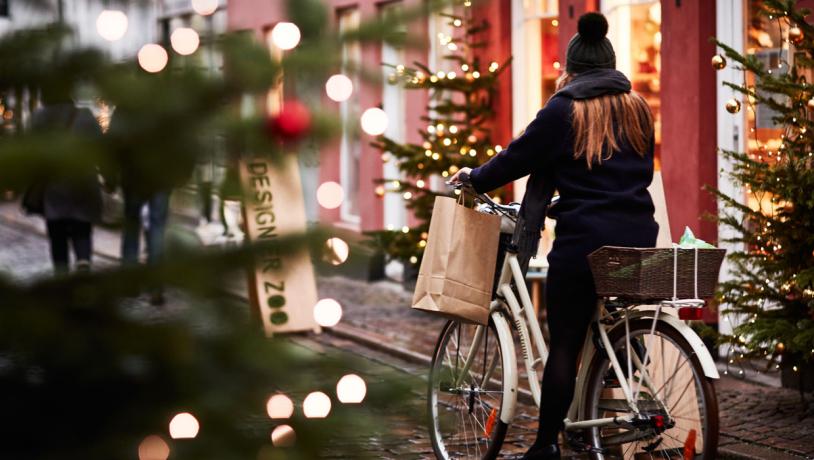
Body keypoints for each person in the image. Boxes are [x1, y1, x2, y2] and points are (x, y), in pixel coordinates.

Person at [450, 12, 658, 460]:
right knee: (606, 325)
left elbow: (517, 157)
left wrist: (475, 178)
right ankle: (604, 411)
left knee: (564, 341)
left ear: (572, 68)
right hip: (639, 234)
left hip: (584, 240)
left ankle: (545, 446)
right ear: (611, 65)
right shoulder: (639, 107)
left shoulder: (564, 109)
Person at [29, 89, 103, 274]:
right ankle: (83, 261)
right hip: (83, 180)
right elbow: (102, 149)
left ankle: (61, 274)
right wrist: (110, 178)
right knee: (82, 228)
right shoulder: (85, 116)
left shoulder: (39, 118)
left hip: (54, 184)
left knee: (57, 234)